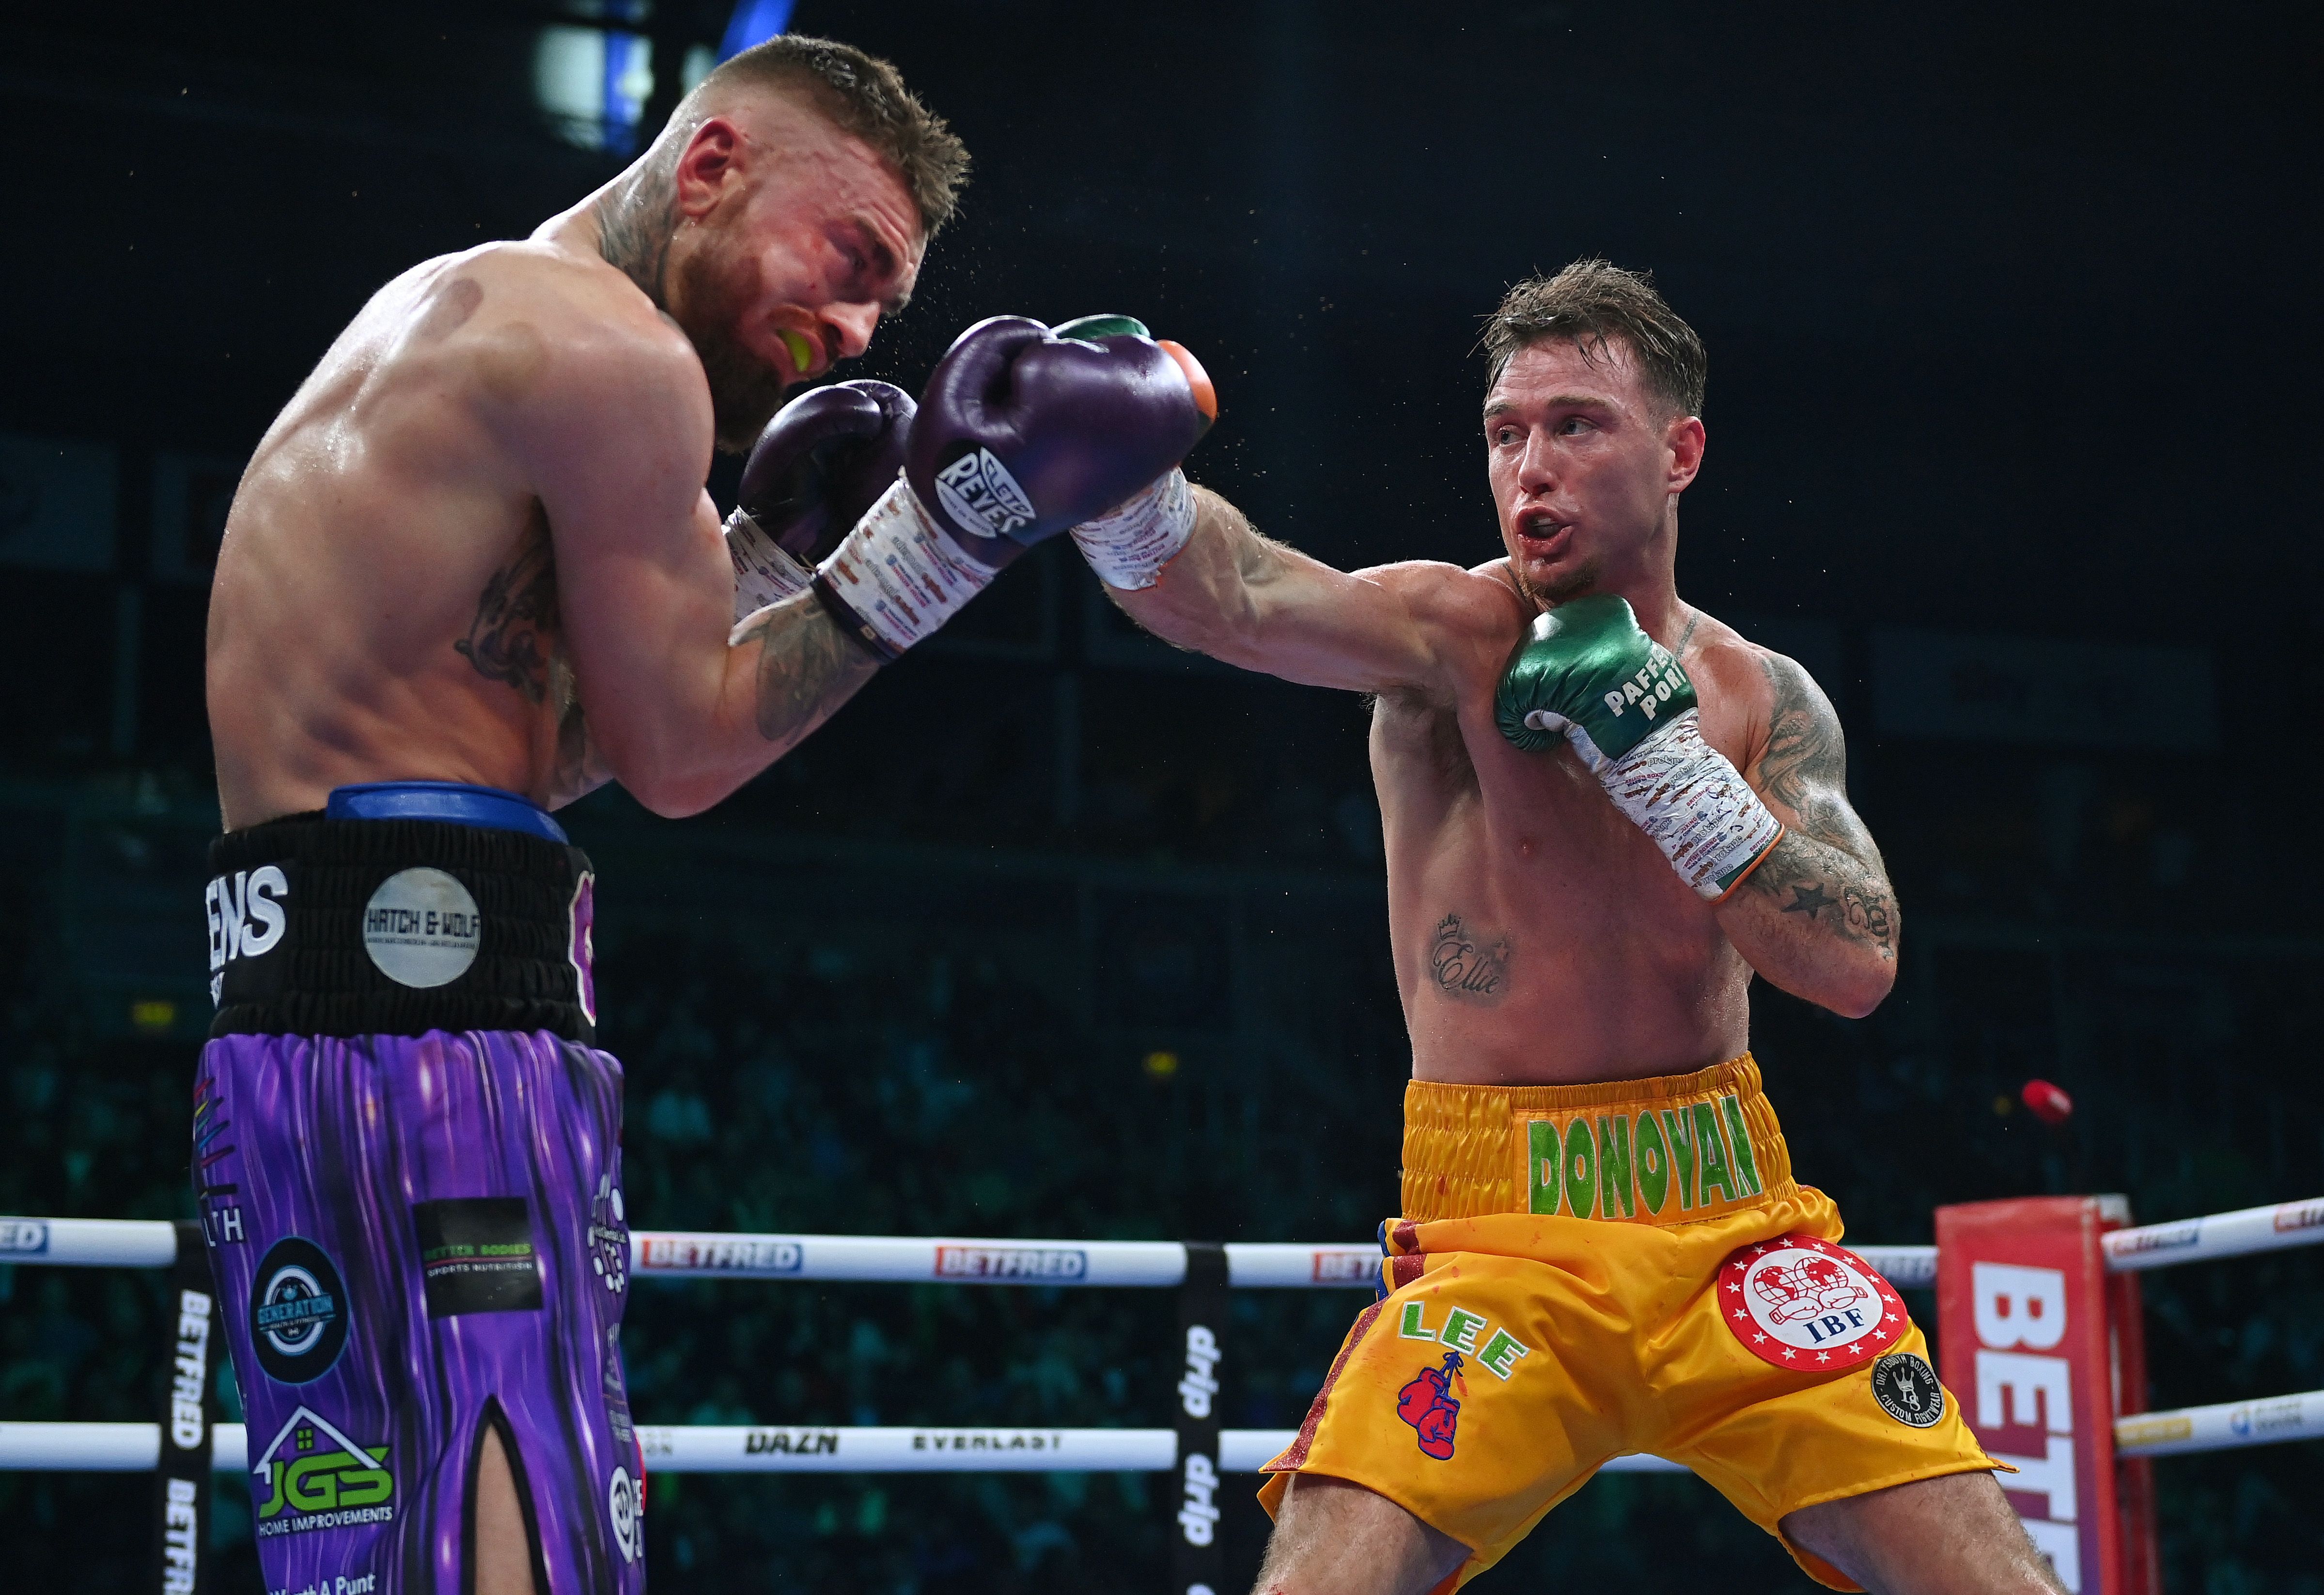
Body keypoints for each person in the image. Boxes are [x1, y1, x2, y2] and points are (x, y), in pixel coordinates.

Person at [199, 30, 1211, 1595]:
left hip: (308, 1020)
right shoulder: (616, 359)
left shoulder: (467, 307)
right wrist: (946, 539)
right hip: (445, 1050)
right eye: (851, 255)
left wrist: (757, 562)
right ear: (715, 165)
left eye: (891, 298)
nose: (861, 324)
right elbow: (683, 759)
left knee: (370, 1556)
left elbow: (543, 743)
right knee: (516, 1542)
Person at [1082, 260, 2064, 1594]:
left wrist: (1666, 765)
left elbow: (1858, 965)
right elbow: (1233, 595)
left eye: (1575, 425)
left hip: (1734, 1225)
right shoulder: (1452, 635)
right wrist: (1120, 484)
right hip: (1497, 1234)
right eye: (1505, 433)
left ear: (1682, 452)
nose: (1529, 467)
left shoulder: (1762, 696)